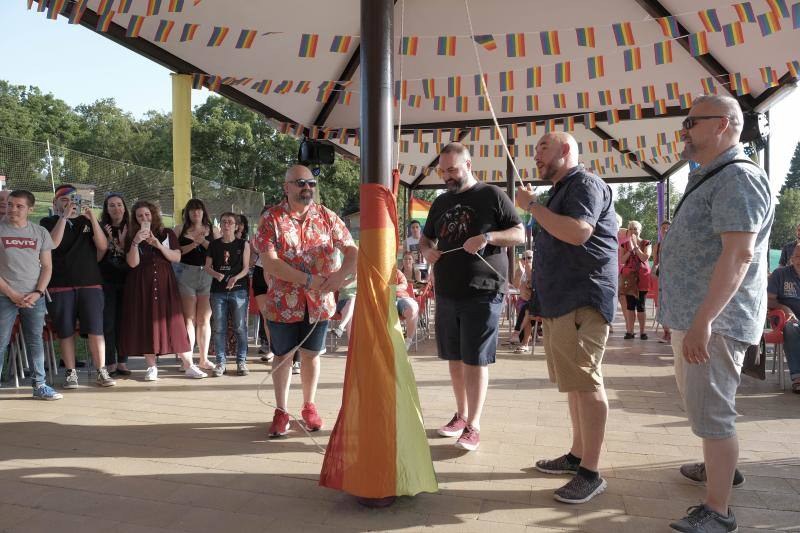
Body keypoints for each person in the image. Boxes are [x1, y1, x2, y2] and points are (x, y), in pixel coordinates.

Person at [658, 94, 773, 532]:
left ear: (723, 124)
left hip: (716, 321)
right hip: (700, 318)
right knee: (703, 406)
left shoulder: (738, 178)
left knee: (712, 411)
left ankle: (718, 511)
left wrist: (704, 320)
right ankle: (720, 467)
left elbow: (739, 255)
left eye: (691, 121)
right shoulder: (716, 175)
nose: (683, 130)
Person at [515, 131, 618, 504]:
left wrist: (531, 206)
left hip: (582, 299)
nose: (536, 155)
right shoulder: (560, 192)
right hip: (561, 301)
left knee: (587, 384)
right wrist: (533, 286)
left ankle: (591, 471)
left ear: (566, 150)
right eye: (535, 149)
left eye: (543, 147)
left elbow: (577, 233)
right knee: (576, 383)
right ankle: (577, 456)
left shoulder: (585, 184)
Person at [419, 142, 524, 452]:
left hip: (485, 289)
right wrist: (427, 250)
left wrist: (487, 237)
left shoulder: (492, 195)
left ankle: (474, 424)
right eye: (442, 171)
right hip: (448, 290)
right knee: (453, 357)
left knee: (475, 358)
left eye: (452, 169)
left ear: (468, 165)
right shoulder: (440, 202)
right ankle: (461, 415)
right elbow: (426, 239)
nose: (447, 176)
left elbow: (519, 232)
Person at [255, 165, 357, 438]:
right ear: (286, 186)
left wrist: (340, 276)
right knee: (282, 356)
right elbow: (270, 262)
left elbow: (352, 250)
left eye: (311, 183)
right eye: (300, 183)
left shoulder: (326, 216)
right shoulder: (271, 218)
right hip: (282, 303)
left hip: (319, 304)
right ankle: (281, 411)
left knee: (312, 356)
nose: (307, 188)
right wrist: (307, 280)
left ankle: (309, 406)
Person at [40, 184, 116, 389]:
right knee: (65, 331)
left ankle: (102, 371)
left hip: (90, 282)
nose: (69, 203)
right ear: (54, 203)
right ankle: (70, 373)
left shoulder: (87, 221)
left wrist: (92, 218)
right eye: (64, 200)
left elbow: (102, 246)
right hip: (60, 284)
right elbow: (53, 244)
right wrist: (64, 217)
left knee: (95, 328)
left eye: (73, 199)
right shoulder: (47, 222)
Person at [120, 201, 203, 380]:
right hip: (141, 284)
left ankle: (189, 364)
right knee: (147, 322)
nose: (144, 218)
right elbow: (132, 263)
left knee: (175, 323)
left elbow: (177, 257)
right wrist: (135, 242)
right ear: (135, 218)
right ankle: (151, 367)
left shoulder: (167, 233)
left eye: (147, 215)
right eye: (140, 216)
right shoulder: (132, 236)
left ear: (154, 215)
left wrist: (158, 244)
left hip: (165, 283)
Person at [0, 190, 61, 399]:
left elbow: (47, 267)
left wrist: (37, 292)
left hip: (34, 296)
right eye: (10, 204)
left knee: (35, 339)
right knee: (1, 341)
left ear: (30, 209)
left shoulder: (40, 232)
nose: (13, 209)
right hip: (4, 296)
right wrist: (11, 294)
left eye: (19, 206)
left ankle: (40, 385)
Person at [206, 212, 251, 376]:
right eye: (224, 222)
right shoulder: (214, 244)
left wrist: (235, 278)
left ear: (236, 226)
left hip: (239, 290)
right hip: (218, 292)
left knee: (240, 327)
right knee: (219, 327)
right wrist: (217, 275)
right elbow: (207, 267)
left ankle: (241, 361)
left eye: (230, 222)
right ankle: (220, 362)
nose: (226, 225)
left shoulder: (243, 244)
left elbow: (246, 268)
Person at [175, 199, 216, 371]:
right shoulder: (179, 229)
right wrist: (194, 243)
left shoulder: (213, 229)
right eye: (192, 210)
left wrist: (204, 241)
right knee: (189, 319)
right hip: (186, 273)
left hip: (207, 274)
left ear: (203, 212)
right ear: (187, 213)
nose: (195, 213)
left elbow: (218, 252)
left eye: (198, 210)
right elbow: (177, 252)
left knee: (204, 318)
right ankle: (188, 360)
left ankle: (204, 359)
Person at [99, 193, 131, 376]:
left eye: (119, 204)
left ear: (124, 207)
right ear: (106, 209)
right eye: (111, 205)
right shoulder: (102, 228)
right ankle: (110, 361)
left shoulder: (131, 228)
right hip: (107, 280)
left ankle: (123, 361)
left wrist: (122, 244)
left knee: (124, 322)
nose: (116, 208)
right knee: (108, 322)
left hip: (128, 280)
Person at [767, 244, 800, 393]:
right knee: (791, 327)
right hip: (784, 319)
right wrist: (785, 308)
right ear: (791, 259)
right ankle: (798, 378)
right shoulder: (780, 274)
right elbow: (769, 300)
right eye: (798, 256)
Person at [619, 220, 652, 340]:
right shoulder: (625, 245)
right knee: (630, 305)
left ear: (640, 230)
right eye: (631, 228)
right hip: (628, 277)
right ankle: (630, 331)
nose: (633, 231)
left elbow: (644, 257)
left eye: (636, 228)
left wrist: (636, 247)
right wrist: (630, 249)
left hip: (642, 276)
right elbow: (622, 260)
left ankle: (643, 332)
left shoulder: (646, 243)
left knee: (641, 305)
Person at [251, 206, 274, 363]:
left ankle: (287, 352)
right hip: (260, 273)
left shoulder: (283, 233)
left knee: (282, 316)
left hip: (279, 274)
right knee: (267, 316)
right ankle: (273, 349)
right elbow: (253, 256)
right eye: (263, 216)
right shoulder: (257, 235)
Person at [509, 251, 535, 354]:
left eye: (529, 257)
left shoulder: (537, 270)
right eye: (524, 258)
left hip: (534, 303)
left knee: (526, 313)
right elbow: (516, 286)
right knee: (524, 310)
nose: (526, 260)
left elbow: (531, 289)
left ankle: (523, 341)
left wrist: (529, 274)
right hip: (523, 301)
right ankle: (523, 340)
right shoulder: (521, 271)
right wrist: (519, 272)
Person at [653, 220, 672, 343]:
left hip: (674, 278)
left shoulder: (677, 243)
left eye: (667, 228)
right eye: (663, 228)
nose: (665, 230)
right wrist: (654, 270)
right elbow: (655, 262)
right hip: (661, 277)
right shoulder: (658, 246)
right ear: (660, 231)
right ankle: (666, 333)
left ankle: (672, 333)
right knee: (661, 304)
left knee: (671, 304)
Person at [395, 267, 418, 350]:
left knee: (412, 309)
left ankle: (408, 341)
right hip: (381, 300)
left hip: (401, 298)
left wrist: (392, 288)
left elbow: (404, 285)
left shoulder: (396, 272)